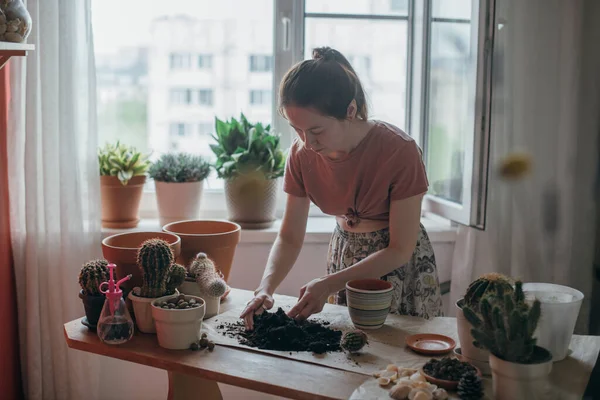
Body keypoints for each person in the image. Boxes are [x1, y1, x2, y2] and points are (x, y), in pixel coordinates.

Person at [240, 46, 443, 330]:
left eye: (316, 130)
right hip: (343, 259)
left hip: (398, 268)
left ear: (349, 110)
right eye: (296, 129)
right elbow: (289, 237)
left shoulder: (400, 151)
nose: (307, 142)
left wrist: (327, 284)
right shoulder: (300, 155)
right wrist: (265, 287)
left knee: (399, 362)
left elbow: (399, 249)